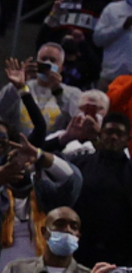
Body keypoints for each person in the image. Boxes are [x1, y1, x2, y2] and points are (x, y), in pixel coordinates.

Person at [0, 133, 82, 273]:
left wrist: (39, 155)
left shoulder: (47, 195)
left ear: (36, 171)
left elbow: (73, 180)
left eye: (27, 161)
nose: (20, 165)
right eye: (13, 160)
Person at [63, 113, 132, 267]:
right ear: (100, 134)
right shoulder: (79, 164)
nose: (113, 137)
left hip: (120, 254)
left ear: (127, 140)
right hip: (79, 250)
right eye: (109, 132)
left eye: (119, 134)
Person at [0, 45, 84, 138]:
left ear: (61, 67)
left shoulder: (73, 93)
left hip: (53, 147)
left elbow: (76, 122)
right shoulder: (20, 87)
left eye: (53, 60)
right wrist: (15, 86)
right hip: (19, 144)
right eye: (43, 59)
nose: (47, 63)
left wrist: (58, 92)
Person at [0, 207, 119, 273]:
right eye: (60, 224)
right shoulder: (17, 269)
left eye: (74, 226)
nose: (67, 230)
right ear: (44, 232)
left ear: (78, 236)